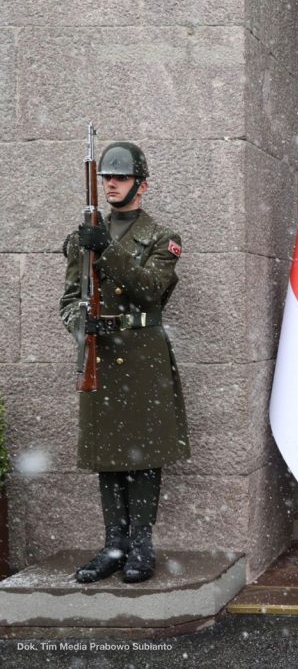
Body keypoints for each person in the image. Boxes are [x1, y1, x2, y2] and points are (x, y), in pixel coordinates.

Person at [59, 142, 190, 584]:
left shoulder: (162, 237)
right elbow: (69, 299)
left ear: (142, 185)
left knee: (144, 455)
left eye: (121, 177)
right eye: (107, 178)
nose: (111, 184)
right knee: (107, 452)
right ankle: (114, 546)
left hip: (141, 355)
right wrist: (82, 326)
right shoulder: (82, 237)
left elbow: (150, 290)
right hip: (101, 356)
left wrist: (109, 251)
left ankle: (141, 545)